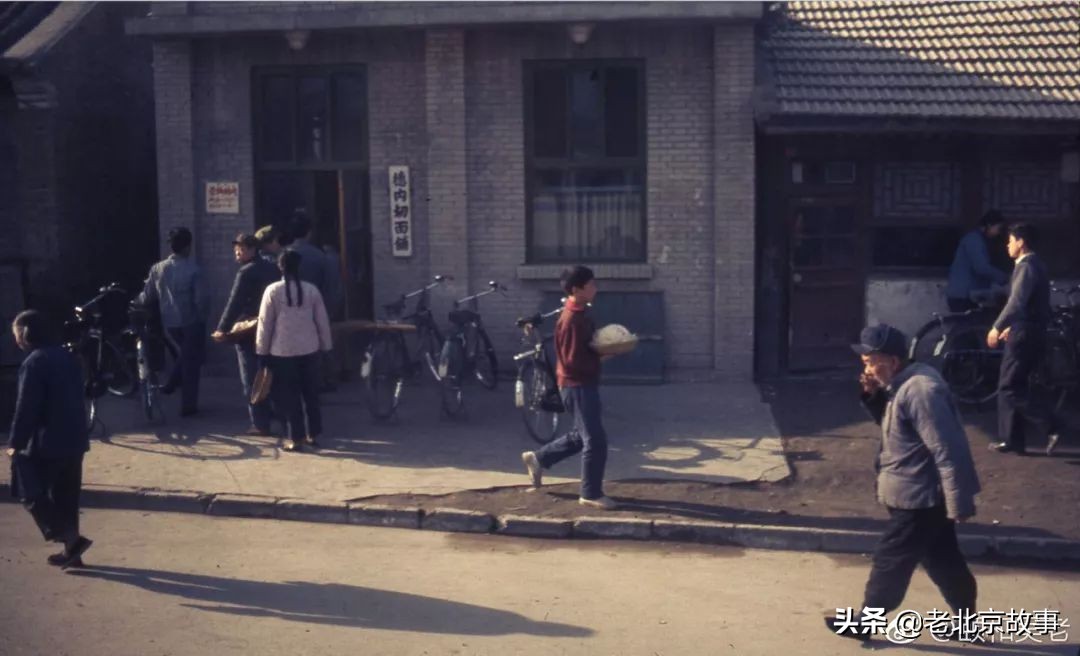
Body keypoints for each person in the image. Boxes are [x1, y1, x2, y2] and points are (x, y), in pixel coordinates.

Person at [825, 324, 980, 643]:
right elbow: (898, 426)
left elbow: (948, 448)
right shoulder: (901, 383)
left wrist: (959, 501)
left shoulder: (922, 390)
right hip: (918, 494)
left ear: (893, 360)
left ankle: (866, 623)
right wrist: (872, 396)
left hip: (919, 498)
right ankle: (968, 623)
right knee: (943, 560)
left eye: (871, 361)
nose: (866, 368)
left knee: (890, 560)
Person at [520, 265, 617, 510]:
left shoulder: (580, 312)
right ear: (577, 289)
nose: (596, 288)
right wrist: (604, 355)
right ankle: (590, 493)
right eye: (591, 284)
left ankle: (539, 458)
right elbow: (574, 360)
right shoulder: (573, 319)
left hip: (579, 383)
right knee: (595, 440)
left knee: (579, 435)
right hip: (577, 385)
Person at [6, 310, 93, 569]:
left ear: (25, 334)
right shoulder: (68, 356)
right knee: (67, 497)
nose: (16, 340)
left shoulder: (34, 362)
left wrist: (15, 443)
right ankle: (73, 554)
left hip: (48, 441)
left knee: (28, 489)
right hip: (75, 438)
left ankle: (70, 539)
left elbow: (26, 408)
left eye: (16, 335)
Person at [986, 222, 1054, 456]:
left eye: (1010, 240)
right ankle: (1011, 440)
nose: (1007, 245)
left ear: (1021, 242)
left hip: (1025, 334)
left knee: (1008, 386)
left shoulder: (1027, 266)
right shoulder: (1034, 265)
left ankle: (1054, 426)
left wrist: (997, 327)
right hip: (1026, 329)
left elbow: (1017, 302)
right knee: (1013, 384)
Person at [256, 250, 333, 453]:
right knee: (310, 393)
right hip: (310, 349)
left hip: (282, 351)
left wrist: (261, 352)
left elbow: (265, 324)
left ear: (279, 267)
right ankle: (312, 433)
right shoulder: (311, 290)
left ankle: (294, 437)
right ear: (299, 267)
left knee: (289, 396)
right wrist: (326, 346)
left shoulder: (272, 291)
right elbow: (322, 321)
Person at [211, 233, 280, 436]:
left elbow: (235, 302)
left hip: (249, 329)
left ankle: (259, 423)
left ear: (252, 250)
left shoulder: (246, 272)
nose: (237, 255)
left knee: (251, 377)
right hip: (272, 327)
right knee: (271, 372)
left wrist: (222, 329)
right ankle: (279, 416)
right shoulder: (272, 267)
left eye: (240, 250)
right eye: (236, 251)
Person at [139, 227, 209, 417]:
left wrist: (135, 302)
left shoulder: (158, 268)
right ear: (188, 247)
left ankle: (171, 385)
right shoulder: (194, 270)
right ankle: (188, 405)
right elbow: (200, 300)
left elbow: (147, 296)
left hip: (169, 322)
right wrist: (204, 318)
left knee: (185, 356)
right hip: (191, 321)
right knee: (191, 363)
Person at [287, 210, 342, 391]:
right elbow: (330, 287)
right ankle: (318, 382)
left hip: (287, 311)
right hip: (314, 310)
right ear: (309, 232)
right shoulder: (320, 257)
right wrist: (330, 311)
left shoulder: (283, 256)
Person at [945, 210, 1010, 313]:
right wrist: (1004, 278)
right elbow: (981, 267)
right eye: (998, 228)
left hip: (968, 294)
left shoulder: (979, 240)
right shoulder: (974, 240)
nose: (999, 233)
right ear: (989, 225)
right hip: (964, 295)